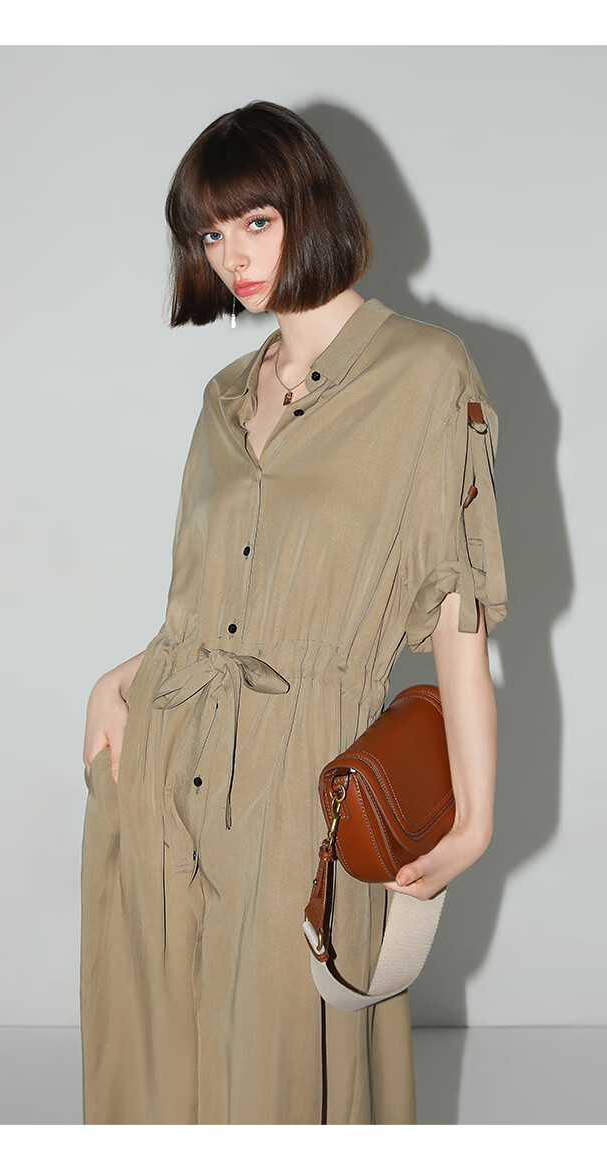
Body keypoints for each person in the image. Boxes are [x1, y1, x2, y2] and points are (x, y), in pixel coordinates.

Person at [79, 100, 508, 1125]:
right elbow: (210, 603)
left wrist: (479, 813)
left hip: (299, 777)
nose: (231, 256)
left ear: (311, 207)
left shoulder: (424, 372)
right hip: (164, 759)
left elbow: (459, 612)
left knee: (280, 1067)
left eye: (255, 222)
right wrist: (118, 679)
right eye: (209, 235)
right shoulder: (228, 394)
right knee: (157, 1045)